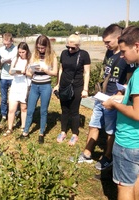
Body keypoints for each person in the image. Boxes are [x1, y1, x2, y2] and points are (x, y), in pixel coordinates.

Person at [76, 24, 135, 170]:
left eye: (108, 42)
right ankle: (87, 153)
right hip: (102, 96)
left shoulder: (125, 55)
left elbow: (129, 80)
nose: (106, 45)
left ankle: (108, 157)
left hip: (114, 99)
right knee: (94, 124)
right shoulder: (109, 54)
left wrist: (118, 95)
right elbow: (106, 74)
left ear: (118, 38)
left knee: (110, 130)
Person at [102, 26, 139, 200]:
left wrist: (114, 105)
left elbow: (137, 113)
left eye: (124, 51)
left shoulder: (138, 75)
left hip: (129, 142)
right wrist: (124, 98)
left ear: (137, 46)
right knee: (136, 182)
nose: (122, 56)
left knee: (125, 187)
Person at [19, 35, 58, 144]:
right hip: (34, 85)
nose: (40, 50)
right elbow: (29, 73)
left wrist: (46, 70)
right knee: (30, 109)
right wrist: (29, 71)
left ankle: (41, 133)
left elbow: (55, 73)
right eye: (38, 48)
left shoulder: (52, 56)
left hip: (46, 86)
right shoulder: (34, 56)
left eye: (42, 48)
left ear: (47, 46)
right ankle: (25, 132)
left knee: (43, 111)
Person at [53, 33, 90, 146]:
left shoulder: (84, 55)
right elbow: (61, 69)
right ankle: (63, 132)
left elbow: (87, 72)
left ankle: (75, 134)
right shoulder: (64, 53)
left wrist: (85, 89)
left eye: (72, 47)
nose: (69, 49)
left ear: (78, 45)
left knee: (74, 111)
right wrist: (58, 84)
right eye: (68, 46)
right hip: (64, 86)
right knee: (64, 110)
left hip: (77, 86)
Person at [4, 42, 31, 136]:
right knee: (11, 108)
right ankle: (9, 128)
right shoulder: (15, 59)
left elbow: (31, 74)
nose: (21, 54)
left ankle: (23, 126)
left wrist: (25, 72)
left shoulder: (30, 60)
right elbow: (11, 71)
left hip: (25, 85)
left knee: (24, 107)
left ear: (27, 51)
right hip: (15, 85)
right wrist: (14, 71)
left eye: (23, 52)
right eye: (19, 52)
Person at [0, 33, 17, 126]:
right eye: (4, 43)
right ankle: (4, 115)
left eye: (8, 44)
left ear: (12, 41)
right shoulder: (0, 50)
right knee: (4, 98)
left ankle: (16, 115)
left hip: (13, 77)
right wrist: (2, 62)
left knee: (14, 98)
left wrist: (12, 61)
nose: (6, 45)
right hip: (4, 76)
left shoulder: (16, 49)